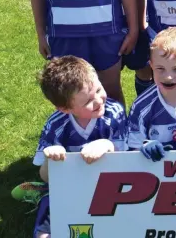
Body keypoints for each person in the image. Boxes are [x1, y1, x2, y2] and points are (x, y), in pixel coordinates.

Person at [31, 56, 127, 238]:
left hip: (109, 185)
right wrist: (52, 161)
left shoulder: (114, 113)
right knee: (50, 202)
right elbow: (45, 176)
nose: (99, 101)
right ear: (65, 109)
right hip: (70, 186)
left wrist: (108, 145)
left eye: (99, 89)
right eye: (88, 101)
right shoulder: (56, 125)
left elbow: (129, 159)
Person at [126, 27, 176, 161]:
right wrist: (144, 146)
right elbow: (132, 146)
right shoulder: (141, 106)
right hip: (156, 175)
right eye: (160, 69)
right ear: (151, 66)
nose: (168, 77)